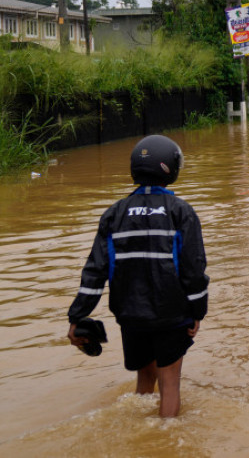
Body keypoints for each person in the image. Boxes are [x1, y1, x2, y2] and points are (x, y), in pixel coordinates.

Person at [67, 134, 208, 419]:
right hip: (171, 315)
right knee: (170, 385)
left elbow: (95, 271)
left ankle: (142, 435)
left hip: (131, 315)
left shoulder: (113, 214)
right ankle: (166, 440)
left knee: (145, 380)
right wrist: (198, 311)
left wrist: (75, 317)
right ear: (171, 168)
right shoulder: (181, 212)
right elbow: (193, 270)